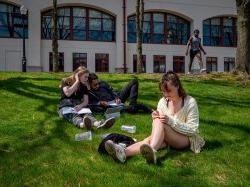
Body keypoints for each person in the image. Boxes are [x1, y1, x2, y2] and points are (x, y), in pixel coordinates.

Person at [104, 71, 205, 164]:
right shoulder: (162, 101)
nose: (165, 95)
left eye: (168, 91)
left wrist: (171, 121)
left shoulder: (190, 102)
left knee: (158, 130)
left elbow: (192, 130)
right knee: (149, 138)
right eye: (163, 92)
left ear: (177, 86)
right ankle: (123, 153)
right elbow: (158, 126)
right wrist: (154, 117)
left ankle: (151, 150)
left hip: (185, 138)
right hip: (168, 136)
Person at [88, 73, 152, 113]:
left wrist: (116, 97)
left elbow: (112, 90)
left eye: (98, 83)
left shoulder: (102, 83)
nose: (97, 86)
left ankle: (132, 104)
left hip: (116, 99)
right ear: (89, 84)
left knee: (134, 81)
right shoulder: (89, 92)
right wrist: (100, 103)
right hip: (109, 106)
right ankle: (136, 107)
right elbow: (90, 103)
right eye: (95, 85)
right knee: (130, 108)